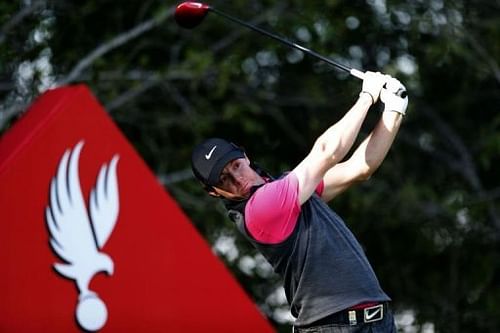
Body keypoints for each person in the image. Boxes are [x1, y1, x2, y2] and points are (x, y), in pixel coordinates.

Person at [191, 71, 408, 333]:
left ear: (245, 157)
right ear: (214, 192)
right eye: (225, 179)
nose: (238, 179)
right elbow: (327, 152)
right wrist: (367, 96)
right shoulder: (261, 209)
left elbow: (359, 168)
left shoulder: (290, 193)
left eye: (236, 165)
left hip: (374, 323)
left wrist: (394, 109)